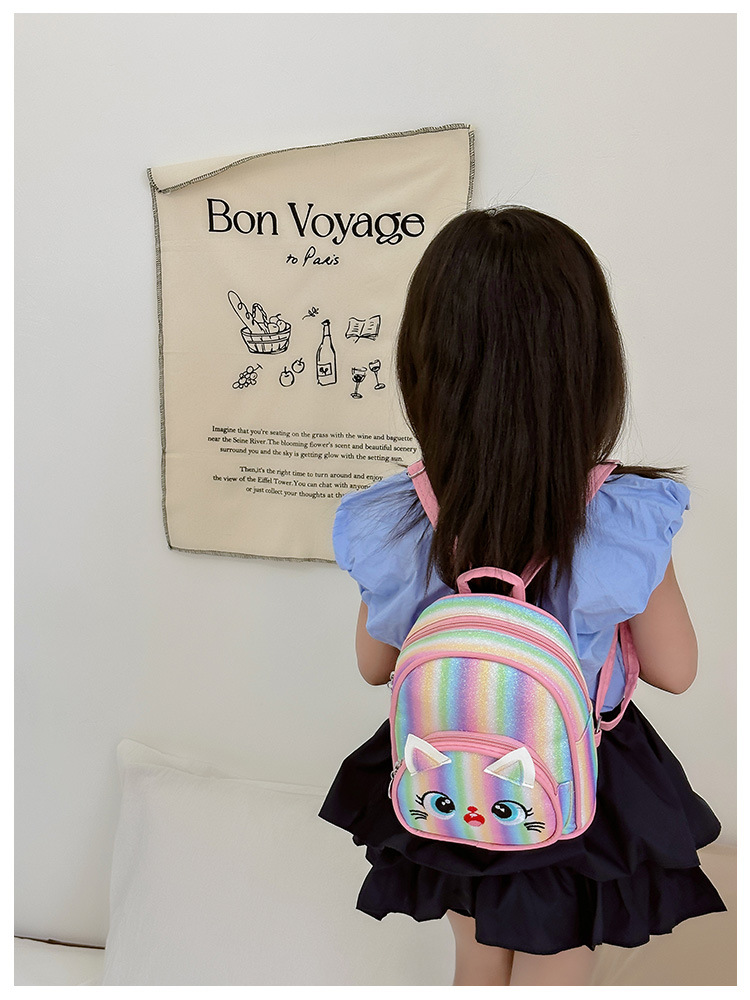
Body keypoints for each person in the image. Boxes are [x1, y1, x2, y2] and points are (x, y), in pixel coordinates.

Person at [318, 206, 726, 986]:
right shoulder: (621, 517)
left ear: (426, 364)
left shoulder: (393, 515)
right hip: (573, 779)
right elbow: (677, 670)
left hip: (450, 770)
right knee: (555, 970)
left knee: (476, 961)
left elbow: (376, 665)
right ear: (588, 362)